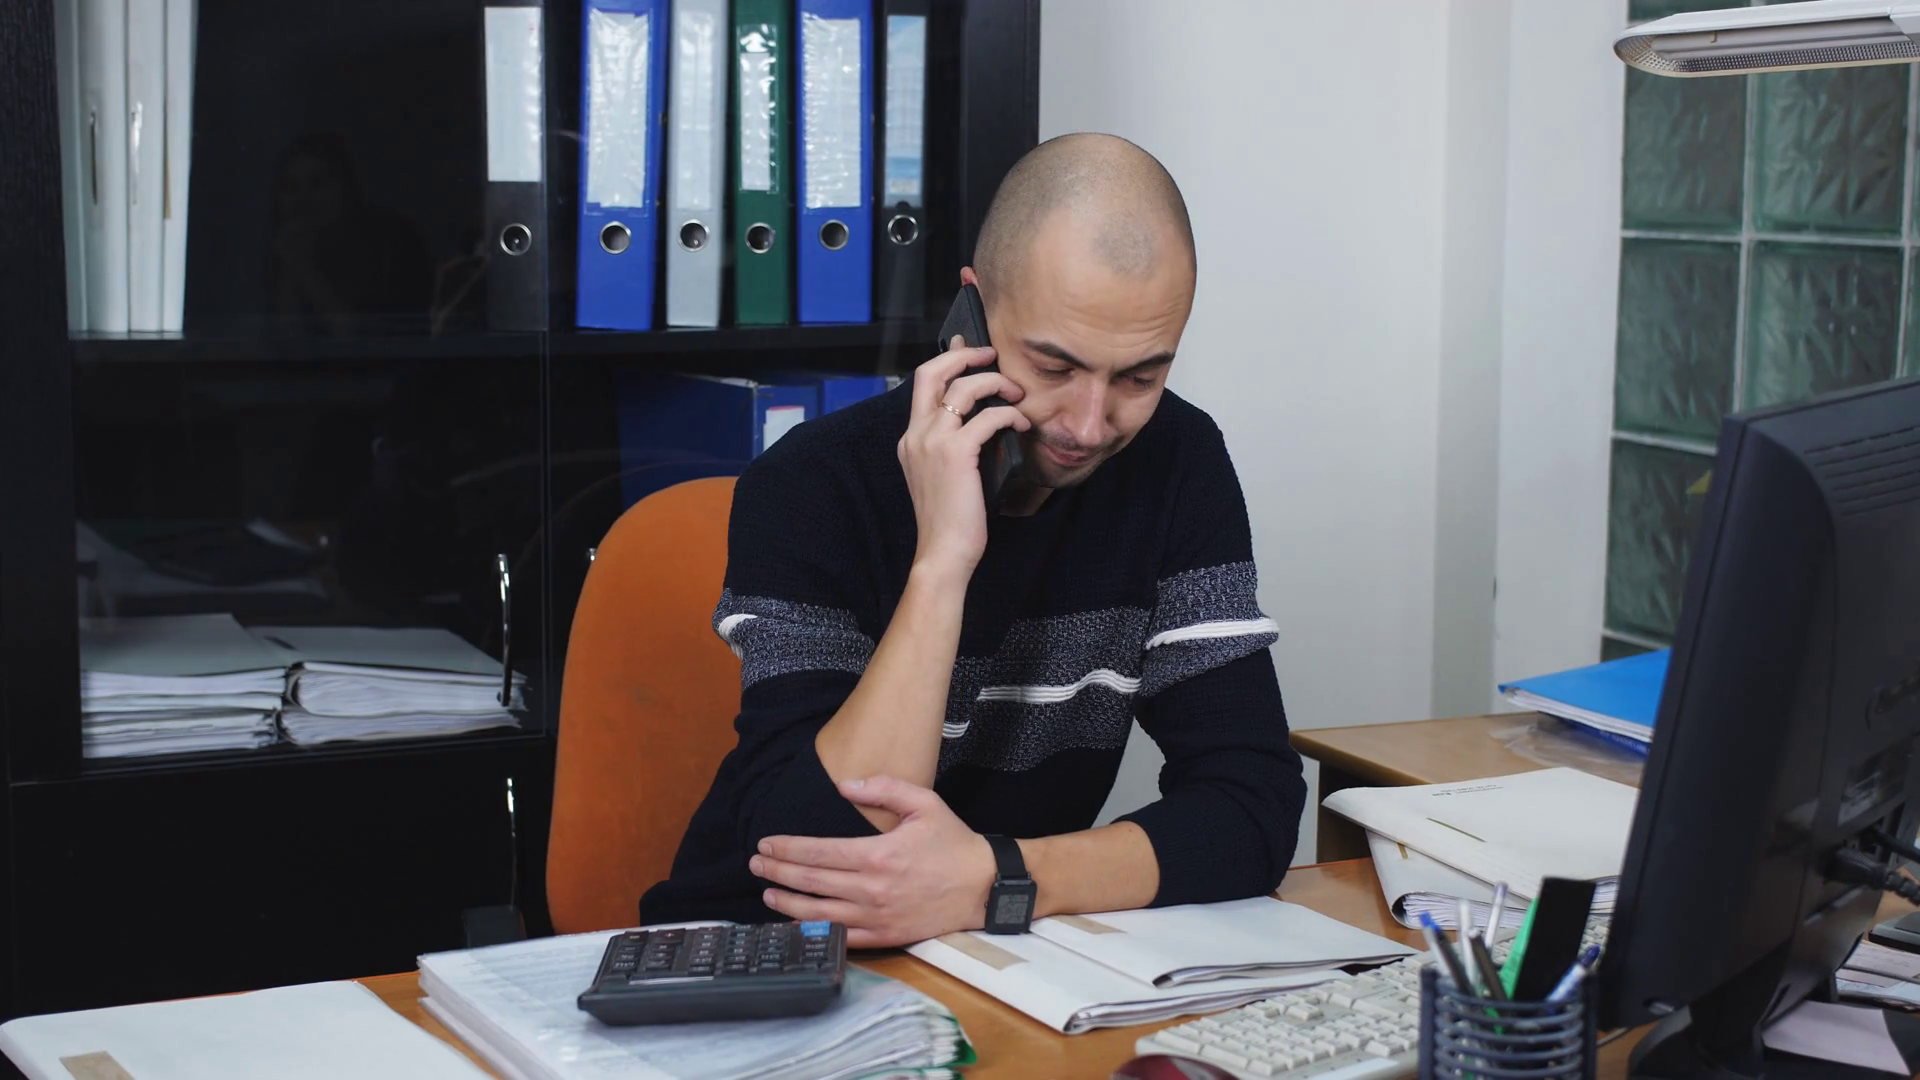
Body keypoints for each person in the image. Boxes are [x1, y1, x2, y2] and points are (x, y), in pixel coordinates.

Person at [639, 133, 1306, 947]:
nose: (1089, 426)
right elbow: (828, 855)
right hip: (753, 953)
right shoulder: (811, 483)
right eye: (1054, 368)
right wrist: (944, 563)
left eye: (1140, 377)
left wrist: (995, 878)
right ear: (973, 313)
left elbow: (1252, 807)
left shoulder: (1178, 462)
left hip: (991, 947)